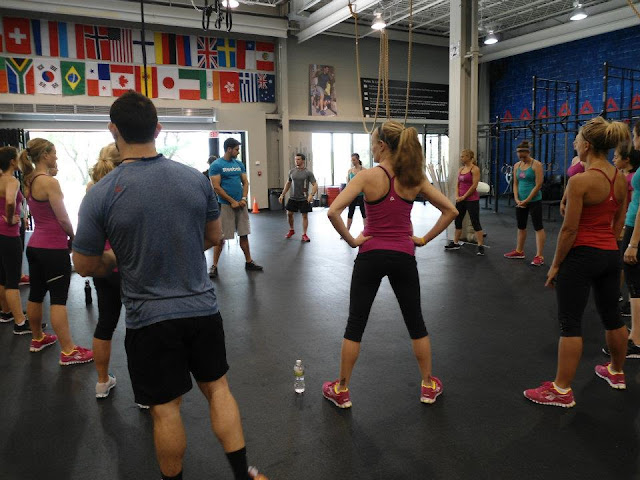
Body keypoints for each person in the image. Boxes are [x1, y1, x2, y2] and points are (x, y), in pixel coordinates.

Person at [72, 91, 267, 480]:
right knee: (219, 390)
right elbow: (214, 237)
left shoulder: (100, 194)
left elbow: (84, 264)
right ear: (158, 129)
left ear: (114, 131)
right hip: (202, 311)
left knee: (165, 409)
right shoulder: (194, 179)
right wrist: (174, 247)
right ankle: (244, 472)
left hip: (150, 320)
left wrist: (119, 259)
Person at [322, 121, 458, 408]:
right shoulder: (414, 178)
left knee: (355, 324)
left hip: (370, 255)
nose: (371, 147)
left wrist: (352, 241)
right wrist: (422, 239)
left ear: (382, 145)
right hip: (403, 257)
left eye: (373, 142)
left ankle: (342, 389)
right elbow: (451, 210)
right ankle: (428, 385)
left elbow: (333, 211)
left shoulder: (366, 177)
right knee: (416, 323)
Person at [524, 116, 630, 408]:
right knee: (613, 316)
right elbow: (618, 222)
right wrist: (609, 249)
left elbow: (569, 230)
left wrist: (556, 265)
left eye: (576, 141)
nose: (574, 144)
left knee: (570, 323)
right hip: (610, 254)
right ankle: (617, 372)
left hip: (582, 255)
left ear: (586, 145)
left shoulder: (580, 181)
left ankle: (561, 390)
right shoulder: (620, 178)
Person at [20, 138, 93, 365]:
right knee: (59, 300)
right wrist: (73, 237)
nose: (56, 157)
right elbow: (63, 217)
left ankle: (38, 338)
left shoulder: (30, 180)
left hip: (34, 247)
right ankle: (69, 351)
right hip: (52, 248)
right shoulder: (49, 182)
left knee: (36, 293)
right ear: (44, 155)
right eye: (54, 153)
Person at [85, 143, 124, 399]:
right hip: (128, 264)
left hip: (103, 266)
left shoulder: (92, 191)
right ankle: (145, 395)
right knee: (139, 326)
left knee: (105, 323)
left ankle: (102, 383)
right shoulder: (126, 189)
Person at [208, 138, 262, 279]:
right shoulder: (216, 165)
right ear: (229, 149)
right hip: (226, 206)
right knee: (221, 238)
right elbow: (217, 187)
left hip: (241, 205)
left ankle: (249, 262)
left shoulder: (239, 164)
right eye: (237, 149)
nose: (238, 152)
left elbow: (245, 182)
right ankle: (214, 266)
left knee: (244, 234)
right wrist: (232, 201)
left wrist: (244, 199)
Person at [613, 123, 640, 359]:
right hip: (630, 224)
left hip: (633, 227)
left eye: (634, 135)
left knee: (634, 281)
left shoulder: (633, 175)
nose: (633, 139)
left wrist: (633, 241)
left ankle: (636, 341)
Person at [0, 146, 31, 333]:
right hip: (8, 234)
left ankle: (6, 312)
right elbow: (11, 201)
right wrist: (11, 218)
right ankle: (20, 323)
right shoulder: (11, 181)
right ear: (12, 161)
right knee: (12, 279)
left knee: (2, 276)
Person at [504, 140, 546, 266]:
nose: (520, 156)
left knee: (538, 227)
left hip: (534, 200)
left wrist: (527, 200)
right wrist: (516, 198)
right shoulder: (517, 165)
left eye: (523, 154)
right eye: (518, 154)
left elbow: (538, 185)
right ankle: (519, 251)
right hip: (520, 201)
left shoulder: (536, 165)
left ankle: (539, 256)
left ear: (528, 152)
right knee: (521, 226)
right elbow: (515, 183)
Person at [444, 149, 485, 255]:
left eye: (463, 156)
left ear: (468, 157)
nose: (461, 158)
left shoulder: (475, 169)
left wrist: (464, 197)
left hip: (472, 200)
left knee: (475, 222)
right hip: (461, 199)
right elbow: (457, 184)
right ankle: (456, 243)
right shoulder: (461, 169)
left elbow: (474, 186)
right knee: (458, 220)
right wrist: (457, 196)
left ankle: (480, 246)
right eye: (461, 156)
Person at [279, 153, 318, 242]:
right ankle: (291, 230)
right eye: (295, 159)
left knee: (304, 216)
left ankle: (304, 234)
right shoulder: (291, 171)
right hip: (293, 197)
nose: (296, 161)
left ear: (303, 161)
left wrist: (311, 195)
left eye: (298, 159)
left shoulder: (308, 173)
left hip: (304, 198)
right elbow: (288, 183)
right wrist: (282, 194)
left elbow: (315, 184)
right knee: (289, 214)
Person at [346, 153, 366, 233]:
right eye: (352, 160)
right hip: (353, 195)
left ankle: (366, 231)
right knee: (350, 212)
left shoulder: (364, 170)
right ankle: (346, 231)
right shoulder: (350, 171)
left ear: (358, 160)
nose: (352, 161)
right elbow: (348, 184)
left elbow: (367, 183)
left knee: (364, 213)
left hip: (362, 195)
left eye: (354, 160)